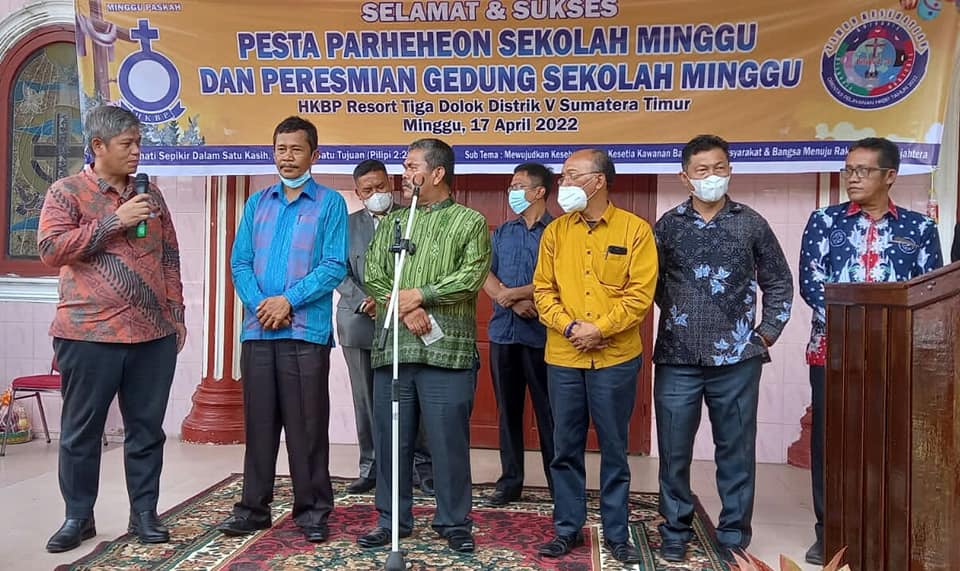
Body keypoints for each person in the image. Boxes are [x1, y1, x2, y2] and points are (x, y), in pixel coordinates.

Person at [37, 105, 185, 553]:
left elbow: (170, 256)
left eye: (139, 143)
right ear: (98, 146)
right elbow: (50, 249)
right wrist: (113, 223)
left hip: (152, 335)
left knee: (147, 431)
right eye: (127, 144)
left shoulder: (150, 195)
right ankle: (77, 517)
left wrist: (177, 313)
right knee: (82, 431)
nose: (137, 151)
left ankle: (144, 514)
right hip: (88, 334)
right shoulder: (66, 192)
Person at [798, 137, 943, 564]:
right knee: (832, 444)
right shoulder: (824, 221)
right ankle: (830, 532)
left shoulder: (919, 228)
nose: (853, 178)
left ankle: (884, 528)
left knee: (888, 444)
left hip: (894, 356)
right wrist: (854, 329)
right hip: (832, 352)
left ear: (890, 176)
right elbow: (811, 283)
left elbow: (929, 289)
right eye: (849, 170)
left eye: (863, 170)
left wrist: (884, 335)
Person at [653, 134, 794, 563]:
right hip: (677, 357)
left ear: (730, 170)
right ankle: (675, 529)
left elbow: (779, 281)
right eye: (702, 170)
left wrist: (766, 333)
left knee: (735, 450)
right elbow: (651, 284)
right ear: (685, 177)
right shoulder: (667, 225)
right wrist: (682, 315)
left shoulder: (751, 223)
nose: (712, 176)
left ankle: (733, 534)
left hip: (737, 360)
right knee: (673, 450)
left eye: (719, 168)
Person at [217, 116, 347, 544]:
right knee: (259, 425)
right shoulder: (258, 202)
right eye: (280, 149)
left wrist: (287, 301)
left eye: (296, 149)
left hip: (304, 332)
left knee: (307, 426)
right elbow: (240, 262)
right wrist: (262, 305)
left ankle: (312, 511)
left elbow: (334, 265)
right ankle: (253, 508)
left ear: (314, 155)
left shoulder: (329, 203)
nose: (287, 157)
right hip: (258, 331)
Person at [357, 138, 491, 554]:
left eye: (412, 167)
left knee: (447, 442)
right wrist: (406, 308)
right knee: (391, 440)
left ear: (437, 173)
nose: (404, 174)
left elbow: (471, 276)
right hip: (395, 350)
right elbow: (374, 272)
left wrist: (422, 295)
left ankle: (454, 521)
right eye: (405, 166)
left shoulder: (470, 221)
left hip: (447, 353)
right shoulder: (395, 223)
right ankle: (391, 520)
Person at [532, 148, 658, 564]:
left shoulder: (635, 230)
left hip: (615, 357)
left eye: (571, 175)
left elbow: (639, 295)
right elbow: (543, 290)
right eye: (563, 176)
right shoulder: (555, 232)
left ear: (598, 180)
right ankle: (567, 528)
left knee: (614, 449)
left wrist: (600, 329)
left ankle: (617, 534)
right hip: (564, 356)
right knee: (565, 447)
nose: (563, 184)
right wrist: (570, 328)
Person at [336, 159, 434, 496]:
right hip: (359, 320)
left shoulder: (414, 218)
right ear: (357, 192)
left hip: (407, 320)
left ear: (391, 185)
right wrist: (365, 299)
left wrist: (395, 301)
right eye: (368, 189)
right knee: (365, 399)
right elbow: (336, 269)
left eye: (381, 186)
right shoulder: (345, 226)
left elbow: (424, 267)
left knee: (413, 394)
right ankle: (371, 467)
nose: (376, 193)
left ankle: (421, 467)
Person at [482, 162, 555, 506]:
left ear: (539, 191)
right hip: (503, 333)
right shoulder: (502, 232)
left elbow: (558, 279)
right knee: (507, 412)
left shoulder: (557, 232)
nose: (512, 192)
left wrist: (519, 294)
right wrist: (510, 301)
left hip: (543, 336)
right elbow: (485, 274)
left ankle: (559, 483)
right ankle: (510, 481)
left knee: (549, 413)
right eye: (511, 186)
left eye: (518, 186)